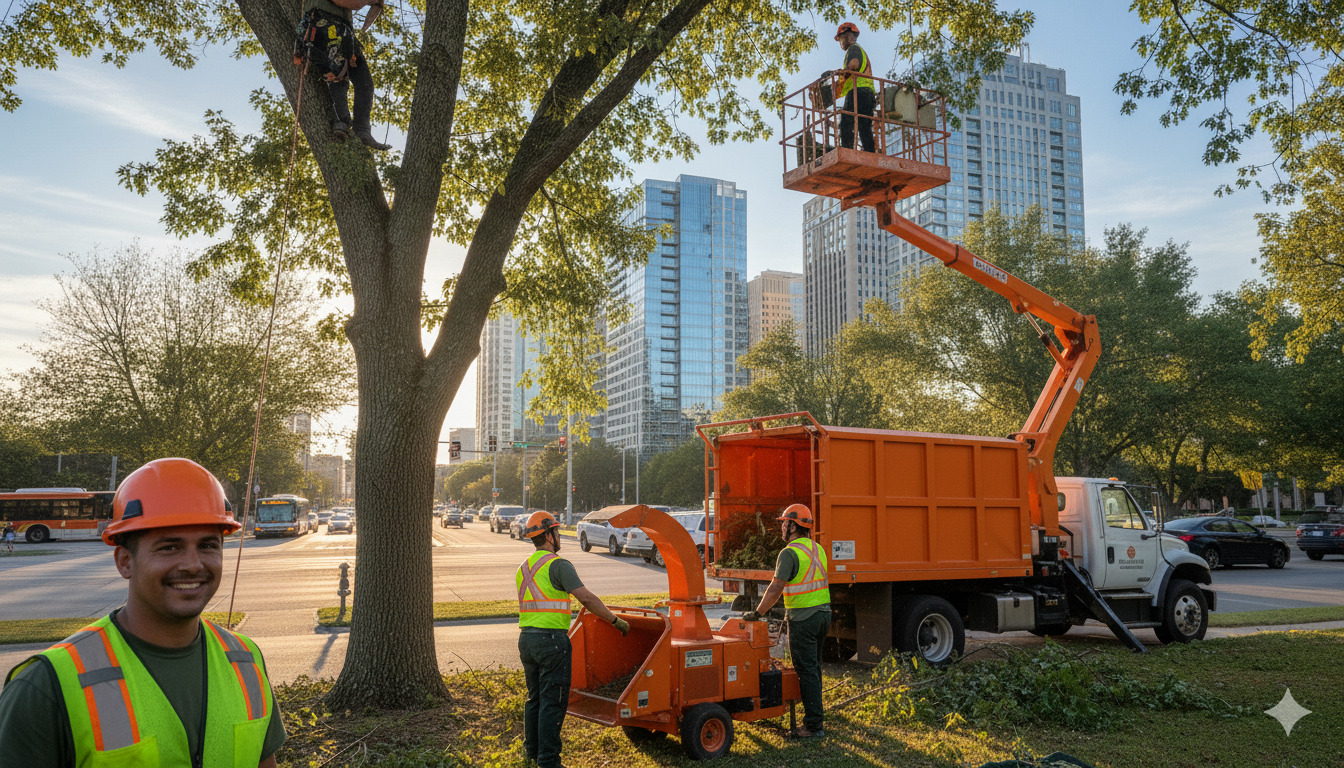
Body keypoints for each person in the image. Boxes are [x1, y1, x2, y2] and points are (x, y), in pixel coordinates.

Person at [0, 458, 286, 768]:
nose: (193, 564)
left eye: (207, 545)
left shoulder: (247, 661)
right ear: (124, 561)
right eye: (169, 547)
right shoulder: (45, 687)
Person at [517, 511, 629, 768]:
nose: (559, 536)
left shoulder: (524, 567)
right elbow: (587, 599)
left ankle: (532, 752)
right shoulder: (558, 565)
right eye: (556, 531)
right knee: (552, 702)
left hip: (527, 640)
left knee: (534, 699)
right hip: (551, 642)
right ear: (548, 535)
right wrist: (615, 621)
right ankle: (549, 761)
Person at [742, 503, 831, 739]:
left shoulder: (789, 553)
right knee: (814, 668)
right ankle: (817, 714)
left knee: (806, 669)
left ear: (793, 525)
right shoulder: (817, 549)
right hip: (823, 615)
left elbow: (775, 588)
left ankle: (813, 725)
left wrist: (758, 613)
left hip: (804, 618)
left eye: (784, 523)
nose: (782, 527)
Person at [302, 0, 392, 150]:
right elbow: (351, 3)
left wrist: (375, 4)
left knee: (364, 82)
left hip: (343, 31)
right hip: (324, 25)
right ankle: (342, 122)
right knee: (338, 78)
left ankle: (362, 130)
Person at [832, 21, 875, 152]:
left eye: (840, 39)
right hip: (868, 94)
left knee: (846, 122)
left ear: (847, 36)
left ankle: (847, 150)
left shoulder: (853, 49)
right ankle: (869, 152)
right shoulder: (859, 49)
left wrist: (845, 71)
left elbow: (855, 64)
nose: (840, 43)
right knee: (864, 125)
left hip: (858, 92)